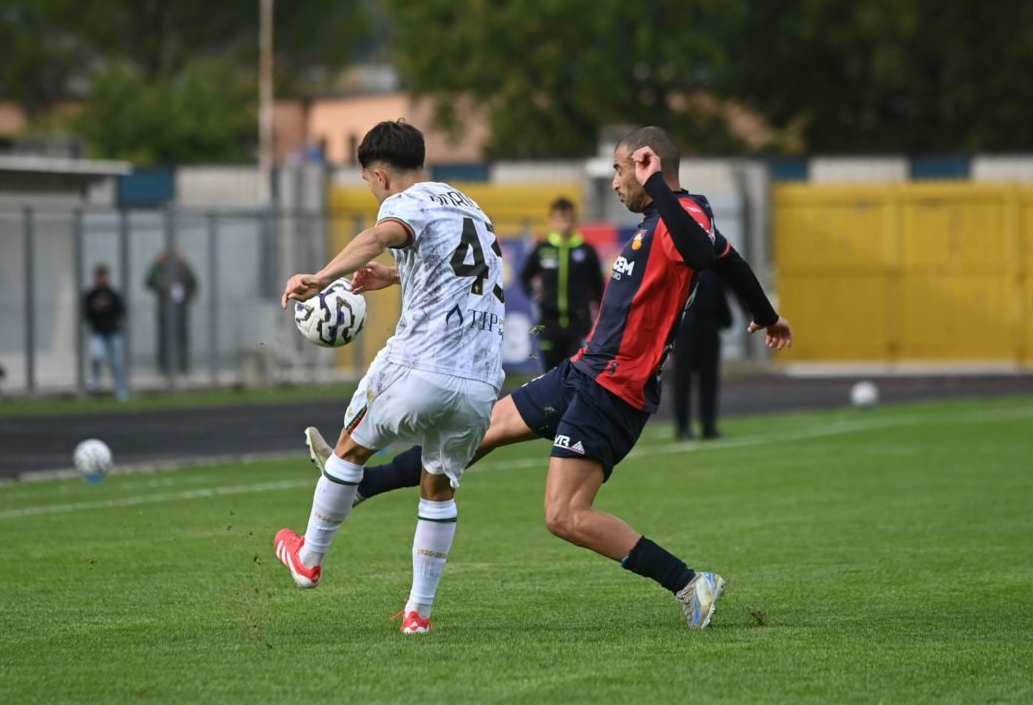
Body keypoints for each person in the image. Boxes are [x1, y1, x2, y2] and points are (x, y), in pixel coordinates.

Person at [308, 126, 793, 629]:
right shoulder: (666, 218)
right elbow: (730, 261)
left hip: (615, 389)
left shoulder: (683, 214)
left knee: (563, 515)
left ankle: (691, 583)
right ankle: (362, 483)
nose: (614, 182)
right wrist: (767, 314)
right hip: (584, 371)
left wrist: (662, 187)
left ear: (648, 165)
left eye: (620, 170)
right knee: (486, 429)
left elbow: (704, 254)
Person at [274, 120, 505, 635]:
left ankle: (308, 557)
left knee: (350, 450)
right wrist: (395, 274)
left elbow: (381, 235)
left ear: (379, 176)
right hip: (480, 381)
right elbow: (466, 271)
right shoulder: (471, 208)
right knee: (438, 487)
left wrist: (322, 277)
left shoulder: (405, 203)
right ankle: (418, 614)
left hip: (421, 364)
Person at [520, 198, 604, 370]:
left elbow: (598, 286)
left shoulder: (587, 250)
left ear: (575, 220)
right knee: (550, 374)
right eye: (560, 218)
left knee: (576, 373)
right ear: (551, 220)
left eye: (568, 218)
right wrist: (536, 295)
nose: (564, 223)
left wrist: (599, 316)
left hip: (579, 323)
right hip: (549, 322)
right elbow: (524, 276)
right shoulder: (543, 248)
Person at [672, 269, 732, 440]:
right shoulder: (681, 265)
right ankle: (683, 427)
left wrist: (724, 318)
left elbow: (721, 291)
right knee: (682, 379)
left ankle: (709, 426)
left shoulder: (711, 266)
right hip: (685, 329)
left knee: (709, 378)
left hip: (709, 327)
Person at [145, 250, 197, 374]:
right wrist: (156, 264)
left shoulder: (184, 267)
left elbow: (193, 284)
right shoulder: (160, 267)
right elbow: (148, 282)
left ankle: (183, 366)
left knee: (182, 337)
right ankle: (164, 367)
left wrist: (186, 299)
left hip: (180, 309)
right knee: (164, 338)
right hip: (165, 308)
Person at [83, 264, 129, 401]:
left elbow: (121, 311)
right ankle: (96, 381)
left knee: (117, 363)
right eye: (99, 276)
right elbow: (87, 313)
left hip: (114, 332)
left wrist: (108, 313)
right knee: (95, 356)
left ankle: (121, 391)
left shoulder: (113, 294)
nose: (101, 278)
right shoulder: (91, 295)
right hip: (98, 332)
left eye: (103, 276)